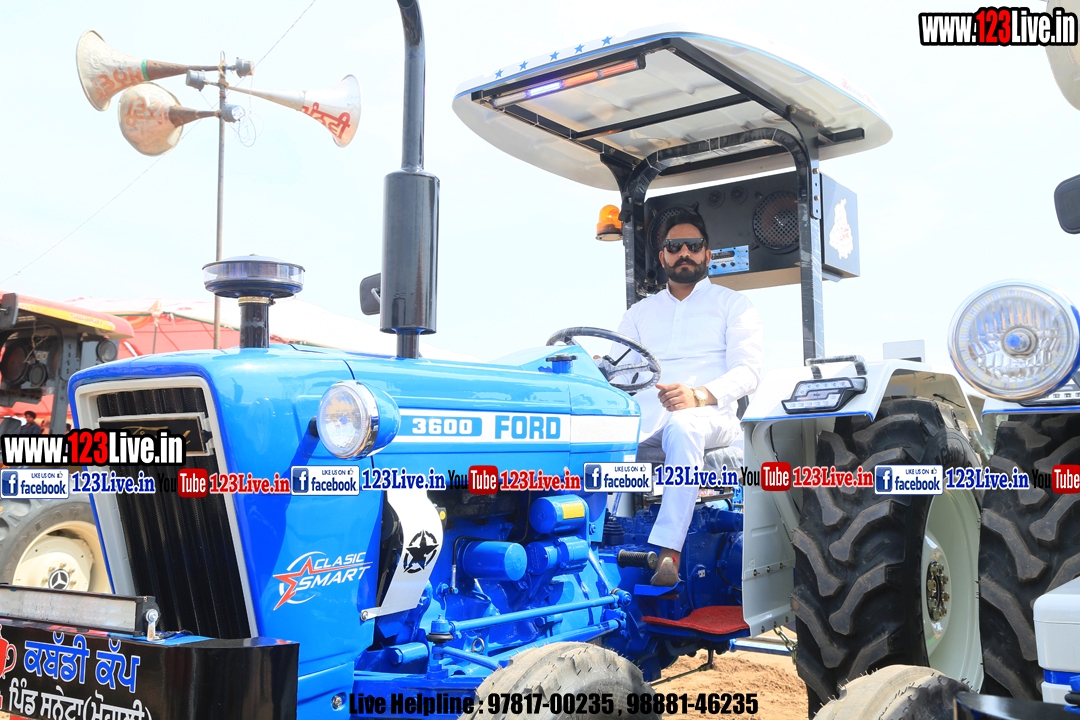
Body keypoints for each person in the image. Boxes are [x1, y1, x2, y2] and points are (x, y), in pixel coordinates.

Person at [615, 207, 763, 586]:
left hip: (710, 419)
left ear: (707, 254)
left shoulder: (733, 305)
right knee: (592, 435)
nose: (684, 252)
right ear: (662, 256)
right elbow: (620, 372)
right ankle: (594, 540)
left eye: (693, 246)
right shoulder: (639, 314)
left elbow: (749, 372)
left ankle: (668, 553)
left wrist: (698, 395)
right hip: (647, 423)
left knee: (682, 426)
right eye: (674, 246)